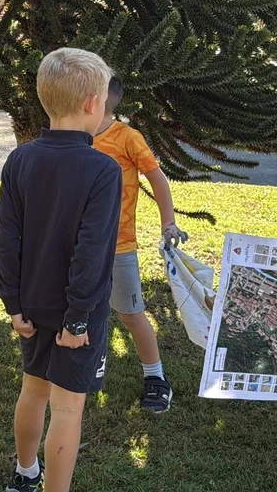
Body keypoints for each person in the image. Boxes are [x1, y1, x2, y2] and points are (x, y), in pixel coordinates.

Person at [0, 48, 123, 492]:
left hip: (31, 307)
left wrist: (12, 304)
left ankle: (24, 473)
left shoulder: (20, 159)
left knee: (33, 390)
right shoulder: (103, 169)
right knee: (67, 408)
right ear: (92, 103)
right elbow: (93, 252)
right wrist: (78, 319)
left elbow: (7, 239)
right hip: (76, 318)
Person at [90, 76, 186, 413]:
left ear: (93, 100)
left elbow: (156, 177)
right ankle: (84, 369)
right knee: (82, 311)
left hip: (119, 247)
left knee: (131, 314)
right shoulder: (73, 137)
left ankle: (156, 378)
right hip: (78, 248)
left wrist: (168, 222)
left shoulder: (127, 137)